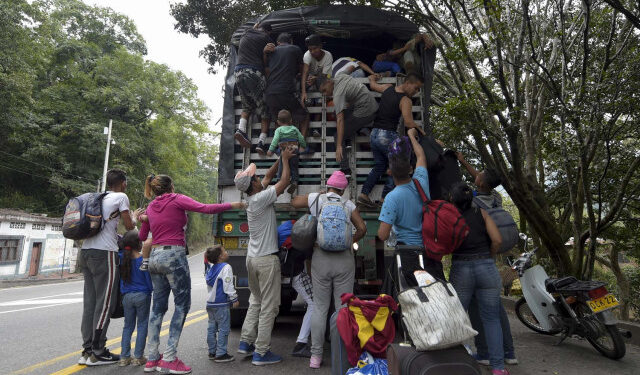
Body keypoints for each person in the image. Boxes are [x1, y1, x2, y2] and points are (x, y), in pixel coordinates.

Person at [139, 174, 244, 374]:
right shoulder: (177, 198)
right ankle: (169, 358)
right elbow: (205, 208)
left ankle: (152, 358)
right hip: (174, 256)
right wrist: (233, 205)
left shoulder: (151, 207)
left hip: (154, 257)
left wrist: (143, 219)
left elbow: (143, 236)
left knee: (158, 308)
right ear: (171, 186)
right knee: (181, 306)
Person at [291, 170, 367, 369]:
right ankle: (342, 352)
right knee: (342, 308)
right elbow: (362, 229)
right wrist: (349, 241)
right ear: (343, 190)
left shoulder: (317, 199)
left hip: (320, 258)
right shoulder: (348, 205)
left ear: (329, 186)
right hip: (344, 260)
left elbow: (294, 202)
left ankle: (315, 357)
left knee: (319, 307)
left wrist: (318, 194)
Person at [457, 152, 518, 366]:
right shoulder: (496, 198)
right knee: (495, 309)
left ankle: (483, 352)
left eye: (479, 174)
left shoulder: (473, 201)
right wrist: (464, 162)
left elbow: (478, 182)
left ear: (480, 181)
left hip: (475, 255)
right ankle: (508, 353)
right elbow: (483, 180)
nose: (476, 175)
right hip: (490, 257)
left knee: (474, 306)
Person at [235, 147, 295, 366]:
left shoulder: (255, 197)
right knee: (269, 307)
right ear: (253, 184)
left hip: (252, 259)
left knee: (256, 301)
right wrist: (287, 162)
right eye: (256, 177)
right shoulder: (262, 198)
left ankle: (245, 342)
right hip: (266, 260)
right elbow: (285, 180)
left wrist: (281, 157)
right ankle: (261, 352)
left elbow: (270, 176)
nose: (261, 178)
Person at [448, 182, 508, 375]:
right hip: (486, 268)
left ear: (452, 200)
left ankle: (453, 363)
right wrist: (488, 256)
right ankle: (498, 368)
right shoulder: (481, 213)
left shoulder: (452, 218)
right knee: (492, 319)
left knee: (457, 318)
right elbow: (497, 240)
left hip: (461, 268)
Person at [79, 169, 135, 366]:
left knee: (91, 303)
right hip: (105, 254)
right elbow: (129, 226)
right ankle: (98, 351)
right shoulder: (121, 197)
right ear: (122, 183)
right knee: (105, 304)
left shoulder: (97, 198)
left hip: (85, 252)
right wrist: (135, 217)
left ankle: (86, 350)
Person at [377, 129, 446, 282]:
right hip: (429, 251)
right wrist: (411, 136)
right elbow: (421, 155)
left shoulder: (391, 198)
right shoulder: (421, 181)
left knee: (413, 297)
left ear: (390, 172)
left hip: (408, 254)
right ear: (410, 169)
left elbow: (382, 235)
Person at [358, 73, 425, 208]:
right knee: (397, 167)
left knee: (380, 166)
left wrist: (372, 78)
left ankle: (364, 194)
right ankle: (384, 199)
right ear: (408, 83)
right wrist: (422, 131)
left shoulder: (388, 88)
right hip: (387, 136)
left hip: (374, 135)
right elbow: (408, 122)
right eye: (416, 88)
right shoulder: (406, 100)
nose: (416, 92)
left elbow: (372, 85)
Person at [319, 75, 378, 176]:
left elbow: (340, 120)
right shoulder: (341, 75)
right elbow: (351, 67)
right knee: (338, 112)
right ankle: (346, 140)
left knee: (337, 136)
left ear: (329, 82)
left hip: (367, 111)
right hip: (372, 104)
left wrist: (338, 146)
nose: (325, 94)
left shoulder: (338, 95)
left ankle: (345, 170)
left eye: (324, 90)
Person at [262, 32, 310, 154]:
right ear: (291, 41)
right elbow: (301, 68)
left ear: (278, 43)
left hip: (270, 93)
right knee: (304, 116)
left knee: (279, 120)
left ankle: (282, 148)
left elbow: (265, 67)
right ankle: (302, 145)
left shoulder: (271, 51)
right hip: (286, 91)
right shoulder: (295, 49)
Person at [277, 220, 314, 358]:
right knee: (314, 304)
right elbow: (308, 263)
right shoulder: (306, 236)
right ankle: (301, 344)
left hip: (282, 269)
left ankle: (251, 344)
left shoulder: (287, 227)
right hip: (295, 273)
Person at [234, 22, 273, 150]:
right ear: (268, 32)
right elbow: (268, 60)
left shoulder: (246, 33)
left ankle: (241, 129)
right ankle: (261, 142)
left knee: (247, 105)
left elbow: (254, 28)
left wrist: (255, 26)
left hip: (238, 72)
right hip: (254, 72)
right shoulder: (265, 38)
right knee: (265, 107)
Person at [118, 229, 152, 367]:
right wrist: (151, 291)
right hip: (142, 295)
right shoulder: (142, 260)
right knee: (142, 325)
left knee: (128, 326)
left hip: (126, 296)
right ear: (139, 244)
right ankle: (138, 356)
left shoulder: (121, 257)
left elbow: (123, 241)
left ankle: (124, 357)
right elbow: (148, 282)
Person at [205, 245, 239, 363]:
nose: (226, 252)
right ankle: (221, 353)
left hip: (210, 303)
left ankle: (212, 351)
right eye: (224, 251)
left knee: (212, 328)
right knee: (224, 329)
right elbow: (228, 284)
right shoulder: (226, 267)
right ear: (220, 256)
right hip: (221, 303)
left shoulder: (212, 268)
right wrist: (234, 298)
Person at [267, 109, 306, 194]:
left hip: (284, 151)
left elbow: (275, 140)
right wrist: (303, 146)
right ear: (291, 120)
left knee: (282, 165)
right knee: (294, 166)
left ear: (278, 122)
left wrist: (271, 150)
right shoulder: (294, 129)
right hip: (294, 151)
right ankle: (294, 181)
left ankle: (279, 181)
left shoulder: (279, 130)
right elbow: (301, 139)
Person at [301, 34, 333, 104]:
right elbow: (305, 72)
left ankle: (322, 102)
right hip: (310, 79)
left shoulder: (328, 56)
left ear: (320, 46)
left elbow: (325, 75)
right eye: (310, 49)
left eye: (315, 48)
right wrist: (303, 92)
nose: (312, 52)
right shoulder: (307, 55)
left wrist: (316, 78)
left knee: (328, 84)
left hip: (323, 78)